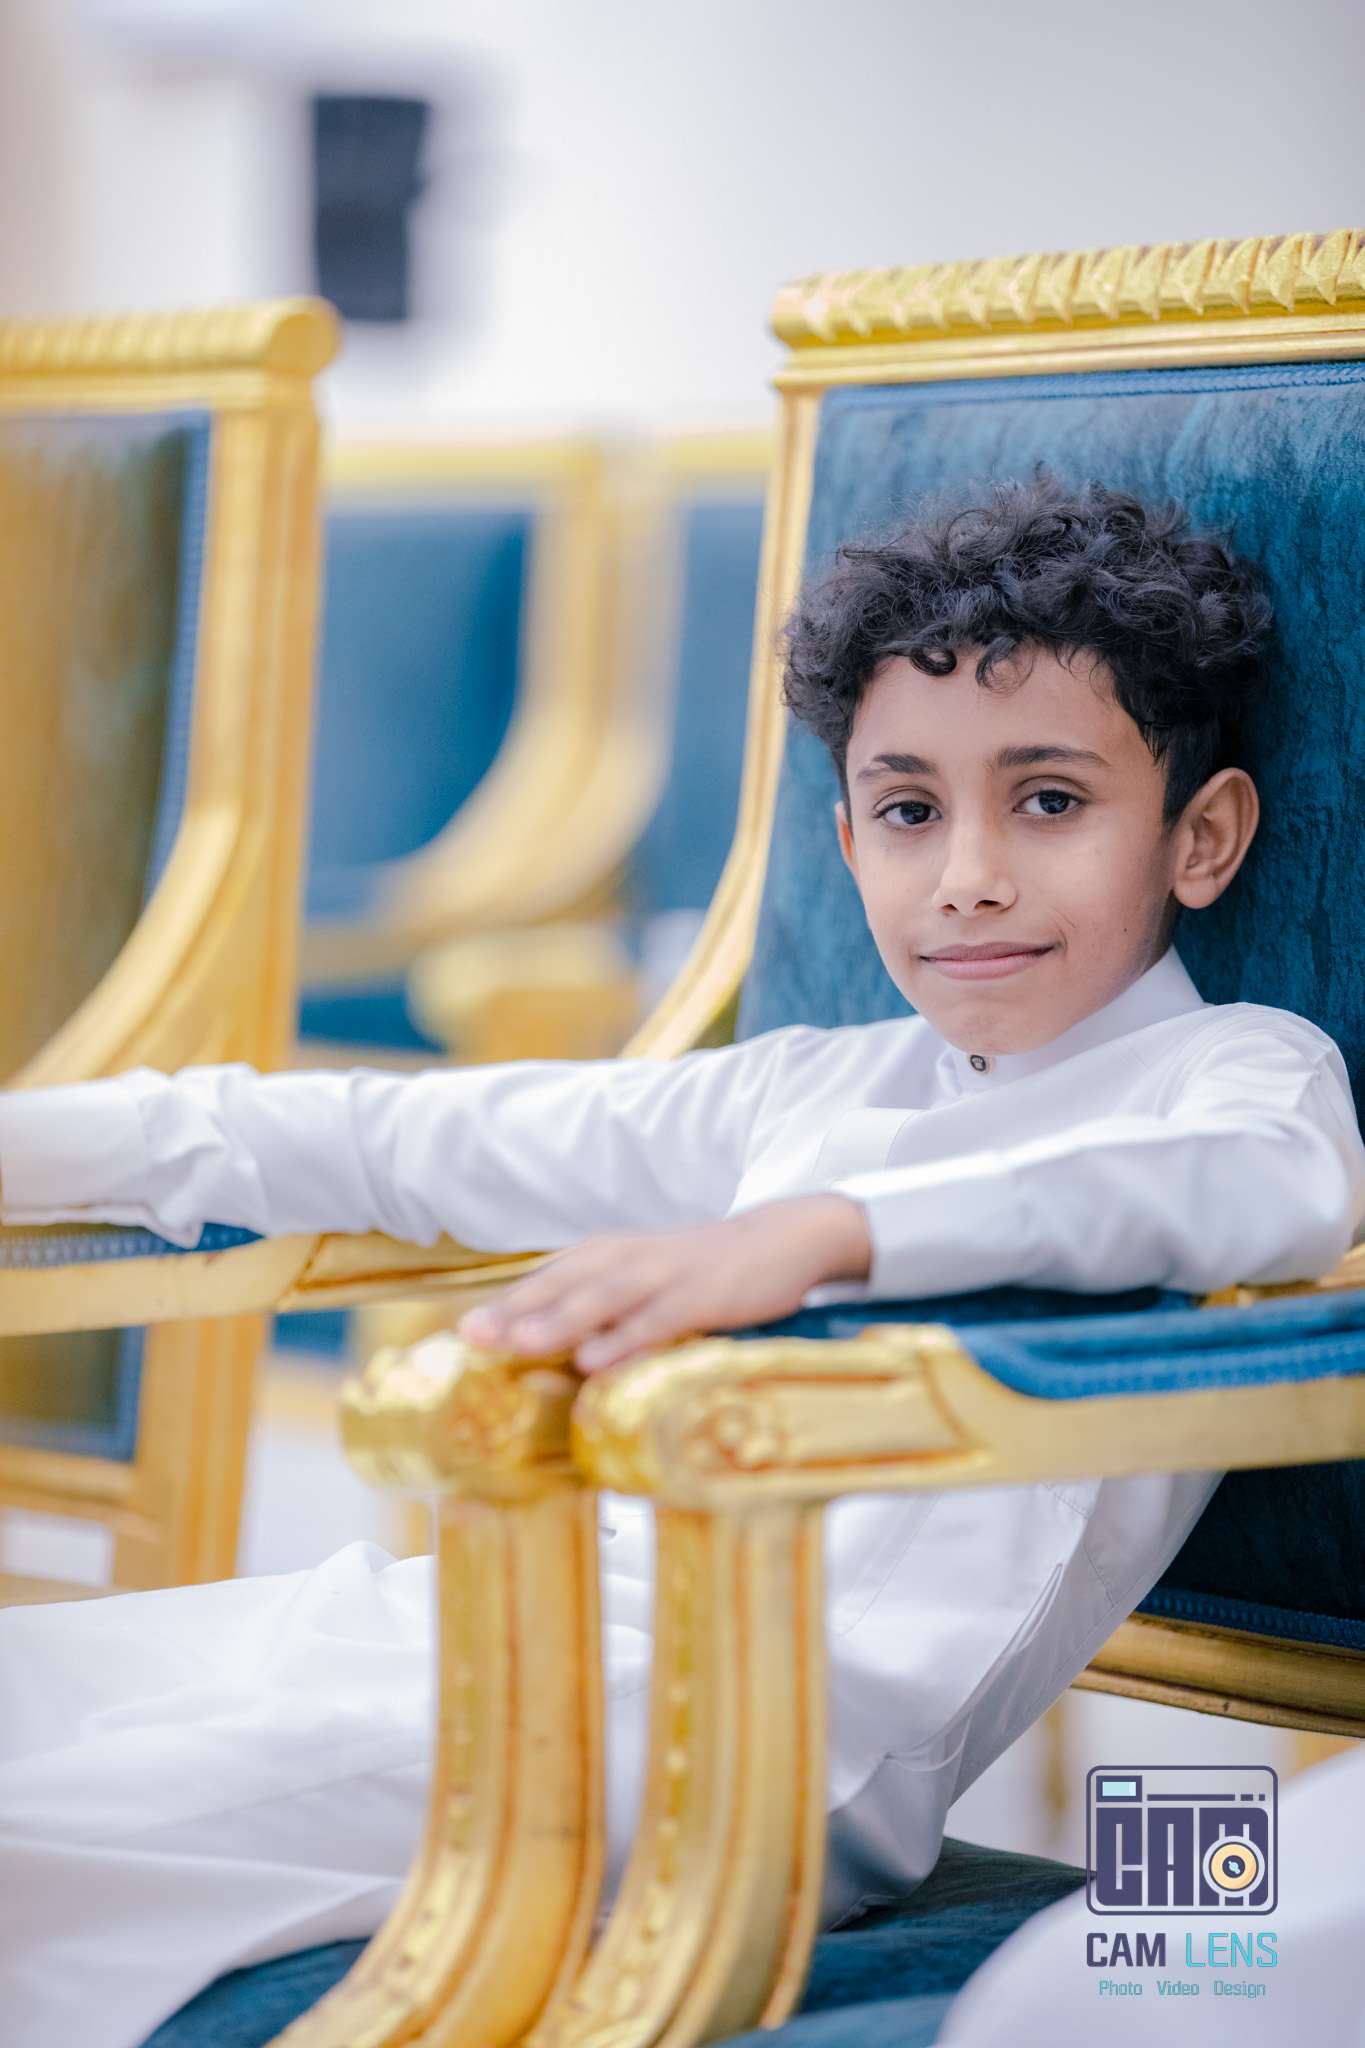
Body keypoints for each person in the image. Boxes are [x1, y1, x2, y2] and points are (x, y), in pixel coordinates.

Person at [2, 477, 1361, 2048]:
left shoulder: (1234, 1076)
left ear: (1200, 836)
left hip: (738, 1743)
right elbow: (377, 1140)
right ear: (847, 839)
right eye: (908, 812)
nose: (967, 875)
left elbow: (1257, 1195)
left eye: (1047, 801)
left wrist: (819, 1234)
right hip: (481, 1624)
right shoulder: (809, 1086)